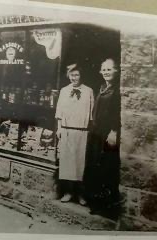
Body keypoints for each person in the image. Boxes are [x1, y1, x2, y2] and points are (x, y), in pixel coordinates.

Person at [84, 58, 121, 219]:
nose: (106, 72)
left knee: (107, 167)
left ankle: (106, 207)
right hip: (96, 133)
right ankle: (95, 204)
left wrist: (114, 131)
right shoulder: (102, 88)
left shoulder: (117, 90)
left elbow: (118, 112)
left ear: (116, 71)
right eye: (103, 69)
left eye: (109, 69)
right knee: (95, 165)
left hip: (108, 135)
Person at [55, 64, 94, 205]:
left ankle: (80, 194)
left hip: (82, 131)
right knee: (67, 162)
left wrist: (89, 130)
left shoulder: (89, 91)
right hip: (66, 130)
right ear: (68, 76)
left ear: (81, 75)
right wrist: (59, 128)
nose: (74, 78)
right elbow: (59, 112)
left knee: (80, 163)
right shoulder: (64, 91)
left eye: (76, 75)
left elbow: (91, 114)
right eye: (71, 75)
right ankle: (68, 192)